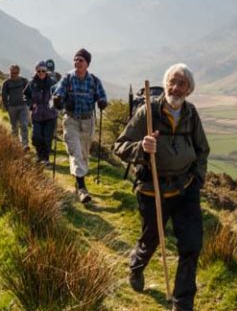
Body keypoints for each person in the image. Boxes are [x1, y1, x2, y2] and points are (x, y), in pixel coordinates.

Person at [113, 63, 210, 311]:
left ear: (189, 90)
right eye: (172, 82)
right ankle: (137, 265)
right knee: (152, 239)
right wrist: (142, 149)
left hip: (185, 189)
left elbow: (202, 150)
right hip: (152, 189)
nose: (176, 88)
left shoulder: (191, 114)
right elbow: (120, 146)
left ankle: (182, 302)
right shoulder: (148, 112)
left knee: (191, 245)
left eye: (182, 84)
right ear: (166, 84)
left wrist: (198, 178)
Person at [53, 48, 107, 203]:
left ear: (87, 64)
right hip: (71, 120)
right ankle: (83, 189)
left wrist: (102, 103)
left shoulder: (94, 81)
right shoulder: (67, 78)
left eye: (81, 60)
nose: (77, 62)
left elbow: (102, 97)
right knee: (75, 152)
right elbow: (58, 94)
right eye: (75, 59)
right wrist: (58, 99)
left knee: (83, 154)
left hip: (88, 122)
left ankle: (78, 181)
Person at [24, 60, 58, 165]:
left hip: (50, 114)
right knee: (36, 137)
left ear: (46, 71)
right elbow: (26, 96)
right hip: (37, 114)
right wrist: (30, 105)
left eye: (43, 71)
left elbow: (59, 95)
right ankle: (40, 155)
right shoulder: (31, 83)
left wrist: (57, 102)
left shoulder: (52, 83)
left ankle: (45, 158)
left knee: (47, 138)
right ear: (36, 71)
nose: (41, 73)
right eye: (39, 71)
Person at [2, 64, 30, 150]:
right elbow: (3, 95)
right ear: (9, 71)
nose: (13, 74)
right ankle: (16, 145)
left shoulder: (24, 81)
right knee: (14, 127)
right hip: (12, 107)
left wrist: (28, 103)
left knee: (24, 125)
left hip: (23, 106)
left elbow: (29, 92)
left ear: (18, 72)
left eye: (15, 72)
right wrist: (7, 106)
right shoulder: (6, 83)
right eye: (12, 72)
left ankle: (25, 144)